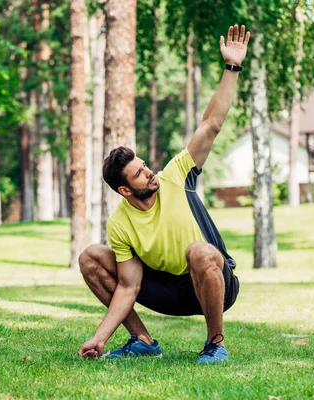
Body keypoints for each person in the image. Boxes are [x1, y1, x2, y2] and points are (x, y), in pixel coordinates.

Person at [77, 24, 250, 364]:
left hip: (215, 283)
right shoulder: (121, 223)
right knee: (90, 257)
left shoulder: (175, 176)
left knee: (200, 252)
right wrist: (99, 337)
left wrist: (232, 68)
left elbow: (210, 125)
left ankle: (215, 343)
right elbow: (128, 287)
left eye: (145, 165)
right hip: (169, 293)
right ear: (125, 190)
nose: (149, 171)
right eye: (140, 173)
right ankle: (142, 340)